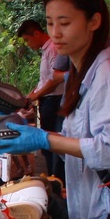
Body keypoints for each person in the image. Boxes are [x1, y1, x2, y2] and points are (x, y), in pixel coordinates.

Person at [0, 0, 110, 219]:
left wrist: (46, 139)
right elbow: (82, 143)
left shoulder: (107, 76)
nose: (55, 33)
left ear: (93, 22)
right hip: (90, 209)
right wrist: (36, 137)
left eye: (65, 23)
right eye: (50, 23)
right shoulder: (79, 75)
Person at [17, 19, 69, 178]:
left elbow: (55, 79)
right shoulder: (47, 50)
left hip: (55, 101)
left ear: (36, 33)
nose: (28, 44)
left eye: (27, 39)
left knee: (52, 141)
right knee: (48, 141)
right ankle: (52, 176)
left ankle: (57, 178)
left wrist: (36, 95)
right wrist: (34, 92)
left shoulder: (53, 48)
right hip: (48, 100)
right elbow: (46, 79)